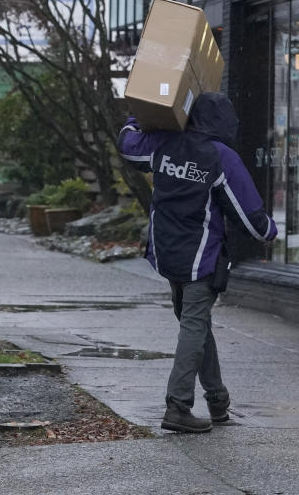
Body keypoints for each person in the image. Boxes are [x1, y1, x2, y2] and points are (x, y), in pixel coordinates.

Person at [117, 92, 277, 433]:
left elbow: (128, 145)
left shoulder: (163, 143)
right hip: (201, 257)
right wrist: (269, 232)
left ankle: (217, 400)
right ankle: (177, 406)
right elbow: (250, 217)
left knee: (196, 324)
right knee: (194, 326)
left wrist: (139, 116)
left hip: (166, 252)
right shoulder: (220, 156)